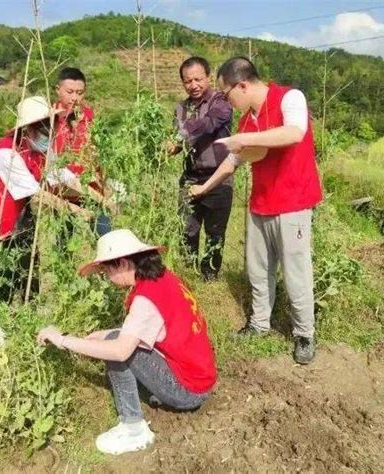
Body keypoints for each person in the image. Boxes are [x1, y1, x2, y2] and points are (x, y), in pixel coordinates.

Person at [190, 57, 323, 364]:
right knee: (258, 270)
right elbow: (232, 162)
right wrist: (204, 187)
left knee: (295, 273)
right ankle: (260, 324)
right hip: (260, 204)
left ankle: (304, 334)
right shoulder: (246, 121)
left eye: (227, 94)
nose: (227, 101)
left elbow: (294, 133)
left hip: (293, 204)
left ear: (243, 85)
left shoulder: (289, 98)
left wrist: (245, 139)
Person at [37, 229, 217, 455]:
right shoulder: (163, 279)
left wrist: (63, 340)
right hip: (201, 377)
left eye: (105, 270)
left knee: (116, 346)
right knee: (113, 337)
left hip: (188, 390)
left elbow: (121, 351)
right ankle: (153, 396)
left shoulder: (144, 299)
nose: (106, 277)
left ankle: (133, 427)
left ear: (121, 263)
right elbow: (153, 325)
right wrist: (106, 332)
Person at [0, 96, 91, 303]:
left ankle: (30, 305)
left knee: (30, 259)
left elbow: (60, 175)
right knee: (4, 268)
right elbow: (37, 195)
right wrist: (79, 211)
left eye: (50, 129)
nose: (48, 136)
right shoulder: (7, 154)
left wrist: (94, 196)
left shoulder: (39, 146)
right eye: (42, 130)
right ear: (27, 129)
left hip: (18, 208)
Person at [168, 57, 233, 281]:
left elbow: (209, 124)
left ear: (208, 76)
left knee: (215, 232)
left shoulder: (221, 102)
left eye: (198, 79)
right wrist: (170, 147)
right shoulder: (180, 108)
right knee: (187, 229)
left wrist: (181, 133)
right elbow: (176, 142)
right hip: (190, 177)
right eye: (188, 81)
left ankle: (209, 276)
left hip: (219, 177)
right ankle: (188, 272)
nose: (193, 85)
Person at [53, 67, 112, 237]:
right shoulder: (49, 119)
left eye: (79, 93)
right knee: (64, 242)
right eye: (69, 92)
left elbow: (100, 154)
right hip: (64, 193)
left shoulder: (89, 116)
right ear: (58, 90)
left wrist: (104, 183)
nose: (75, 98)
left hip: (92, 190)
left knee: (105, 237)